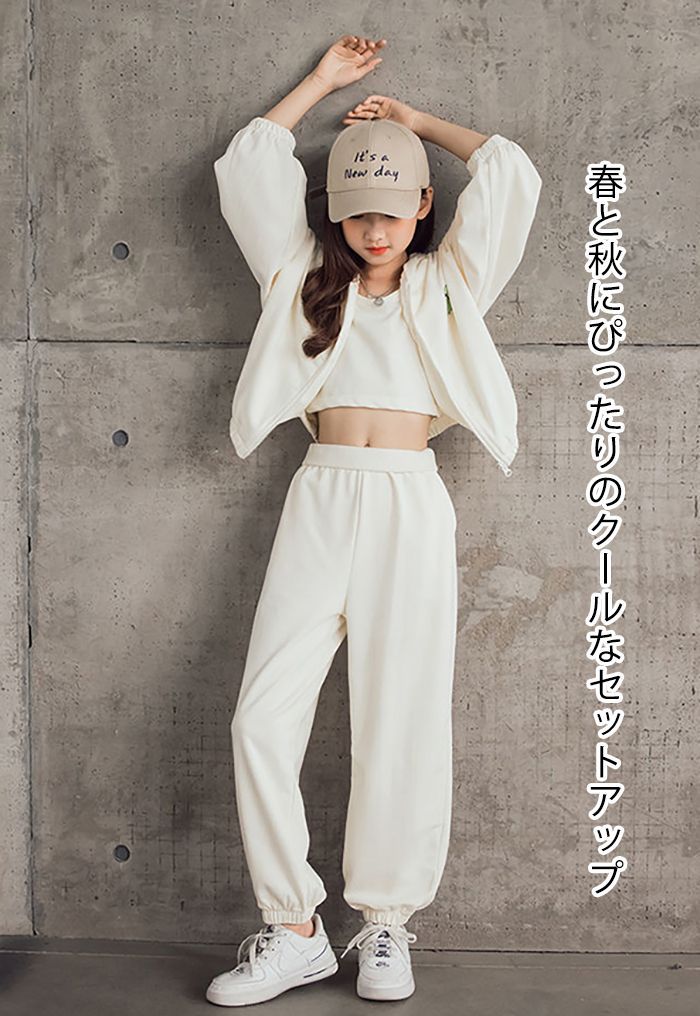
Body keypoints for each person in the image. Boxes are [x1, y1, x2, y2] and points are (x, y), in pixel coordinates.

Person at [206, 33, 542, 1007]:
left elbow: (511, 173)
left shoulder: (449, 286)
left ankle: (385, 924)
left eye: (393, 211)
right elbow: (249, 162)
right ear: (336, 215)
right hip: (321, 494)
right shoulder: (301, 281)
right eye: (358, 212)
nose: (376, 229)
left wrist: (412, 120)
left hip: (409, 500)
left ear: (423, 207)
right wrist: (320, 82)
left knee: (402, 717)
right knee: (260, 718)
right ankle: (295, 928)